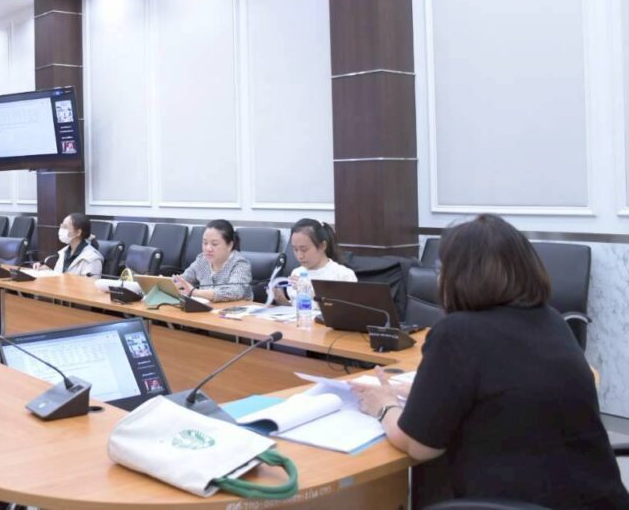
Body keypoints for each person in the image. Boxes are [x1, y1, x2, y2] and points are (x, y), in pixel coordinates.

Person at [351, 214, 629, 509]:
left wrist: (384, 405)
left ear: (458, 276)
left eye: (442, 269)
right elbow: (506, 389)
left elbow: (419, 447)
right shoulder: (552, 321)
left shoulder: (456, 332)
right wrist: (420, 393)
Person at [270, 218, 356, 305]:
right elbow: (296, 309)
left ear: (322, 246)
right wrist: (281, 300)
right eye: (295, 249)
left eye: (304, 249)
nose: (299, 256)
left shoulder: (343, 275)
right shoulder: (297, 273)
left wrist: (309, 291)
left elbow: (344, 309)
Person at [171, 220, 252, 302]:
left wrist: (195, 292)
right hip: (206, 308)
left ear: (230, 245)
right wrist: (170, 282)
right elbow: (184, 279)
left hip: (235, 309)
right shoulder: (202, 260)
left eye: (214, 244)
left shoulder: (241, 264)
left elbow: (235, 292)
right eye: (205, 243)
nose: (208, 249)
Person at [35, 213, 103, 278]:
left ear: (78, 232)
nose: (61, 229)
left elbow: (90, 284)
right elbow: (61, 275)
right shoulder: (63, 252)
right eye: (61, 226)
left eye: (65, 227)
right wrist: (46, 270)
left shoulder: (92, 259)